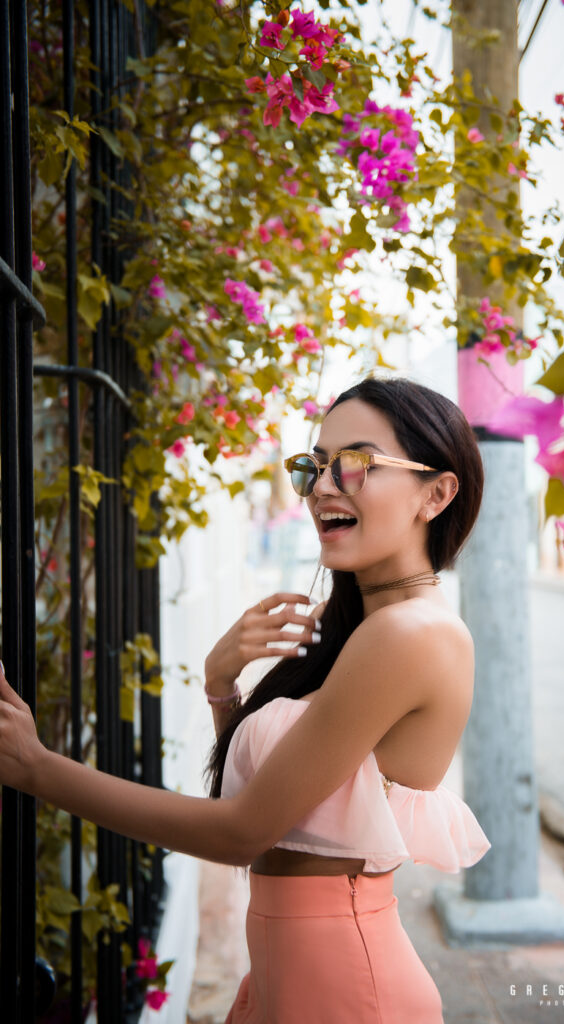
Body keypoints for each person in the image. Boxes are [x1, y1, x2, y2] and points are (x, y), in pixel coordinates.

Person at [0, 374, 491, 1023]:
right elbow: (278, 818)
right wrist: (219, 685)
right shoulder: (364, 628)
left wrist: (36, 768)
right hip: (292, 977)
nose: (321, 487)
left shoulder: (408, 635)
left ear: (436, 492)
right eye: (312, 467)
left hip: (347, 989)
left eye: (352, 464)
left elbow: (240, 834)